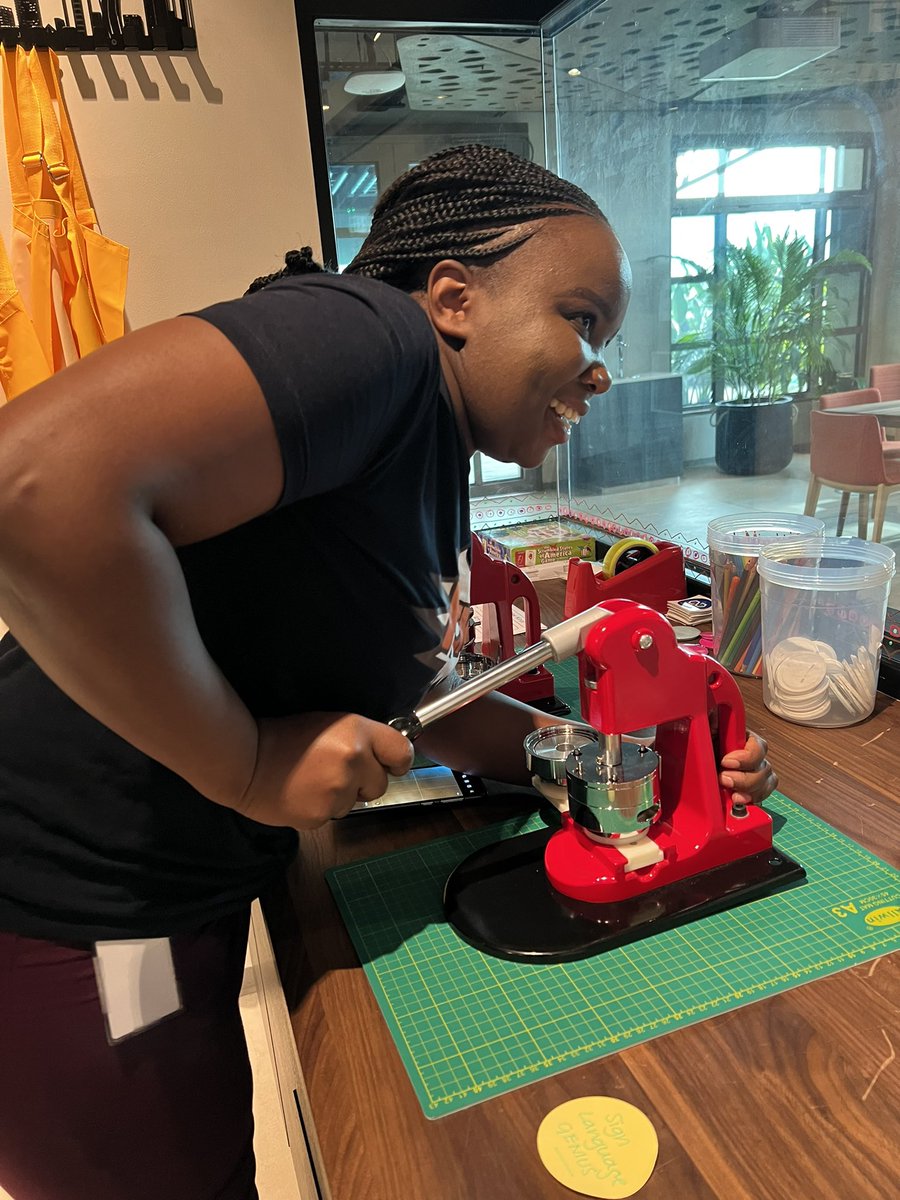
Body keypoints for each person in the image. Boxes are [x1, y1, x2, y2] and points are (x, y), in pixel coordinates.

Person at [0, 143, 776, 1200]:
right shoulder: (375, 338)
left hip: (169, 887)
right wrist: (245, 763)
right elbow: (33, 486)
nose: (602, 367)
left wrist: (622, 761)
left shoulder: (425, 450)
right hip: (74, 906)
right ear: (453, 298)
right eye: (583, 318)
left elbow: (417, 701)